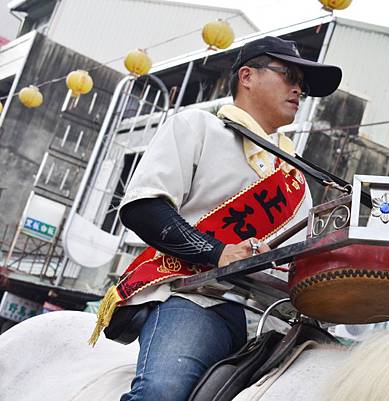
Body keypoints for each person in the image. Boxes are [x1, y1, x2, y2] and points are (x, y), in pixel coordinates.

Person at [88, 36, 342, 401]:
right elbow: (143, 208)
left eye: (302, 82)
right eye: (289, 75)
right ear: (247, 76)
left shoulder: (297, 180)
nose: (298, 88)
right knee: (162, 393)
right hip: (196, 299)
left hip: (272, 321)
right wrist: (218, 252)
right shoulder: (197, 127)